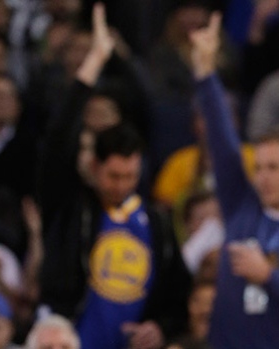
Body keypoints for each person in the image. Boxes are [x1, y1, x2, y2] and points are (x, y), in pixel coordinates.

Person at [38, 4, 191, 349]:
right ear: (94, 168)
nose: (122, 185)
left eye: (130, 176)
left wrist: (161, 328)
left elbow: (178, 297)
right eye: (113, 176)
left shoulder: (156, 223)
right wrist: (93, 63)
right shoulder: (69, 206)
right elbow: (58, 140)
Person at [189, 10, 279, 348]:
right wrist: (205, 73)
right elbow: (223, 143)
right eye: (260, 167)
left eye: (274, 168)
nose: (264, 177)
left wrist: (268, 276)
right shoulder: (242, 205)